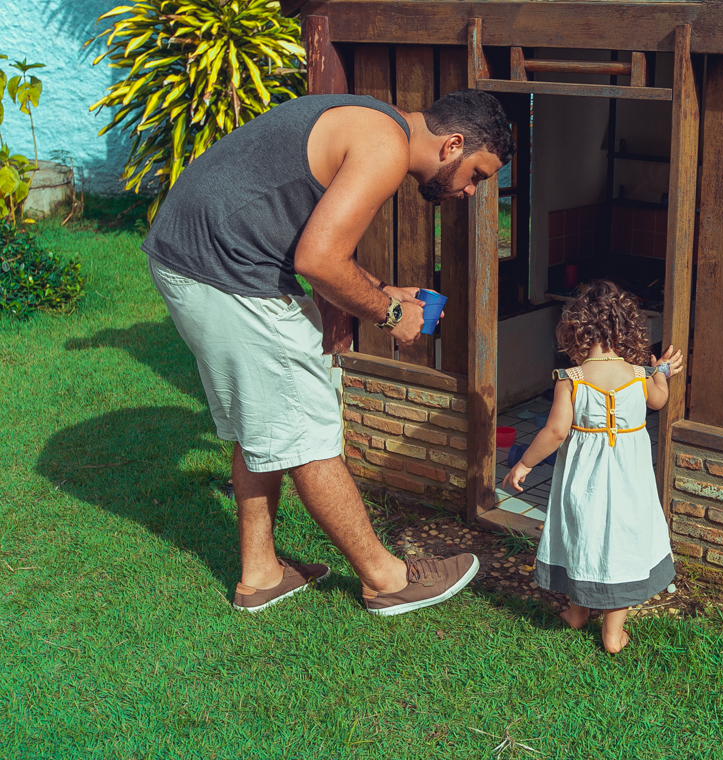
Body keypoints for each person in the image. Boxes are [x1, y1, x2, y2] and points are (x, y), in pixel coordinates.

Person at [141, 89, 515, 614]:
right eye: (477, 173)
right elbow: (317, 260)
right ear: (453, 144)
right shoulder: (384, 147)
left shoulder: (375, 122)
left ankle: (261, 573)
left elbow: (322, 250)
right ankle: (386, 581)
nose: (473, 191)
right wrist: (390, 315)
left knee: (263, 420)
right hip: (224, 269)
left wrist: (385, 290)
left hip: (193, 256)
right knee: (306, 427)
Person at [501, 281, 685, 653]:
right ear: (627, 329)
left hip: (584, 482)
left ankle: (578, 613)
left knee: (581, 537)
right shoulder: (639, 376)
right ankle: (613, 634)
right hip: (631, 484)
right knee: (622, 544)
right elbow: (660, 400)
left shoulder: (572, 379)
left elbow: (554, 432)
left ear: (578, 329)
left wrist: (523, 464)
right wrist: (661, 369)